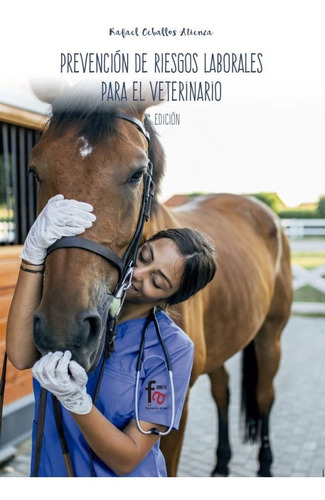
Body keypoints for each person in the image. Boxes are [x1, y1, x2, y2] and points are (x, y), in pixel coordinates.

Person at [6, 195, 217, 477]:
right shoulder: (77, 306)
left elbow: (127, 458)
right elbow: (20, 356)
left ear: (171, 297)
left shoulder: (172, 351)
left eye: (157, 281)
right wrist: (32, 255)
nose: (139, 273)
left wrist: (77, 402)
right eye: (144, 256)